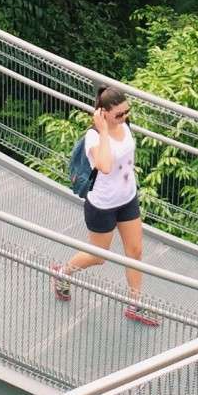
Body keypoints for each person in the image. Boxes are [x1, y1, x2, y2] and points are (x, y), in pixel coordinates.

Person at [52, 86, 157, 326]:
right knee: (98, 256)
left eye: (126, 112)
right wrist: (103, 130)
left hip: (127, 198)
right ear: (103, 113)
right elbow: (105, 165)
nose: (124, 118)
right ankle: (62, 273)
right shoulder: (94, 137)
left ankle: (135, 303)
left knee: (135, 251)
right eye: (119, 114)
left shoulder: (125, 126)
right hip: (103, 205)